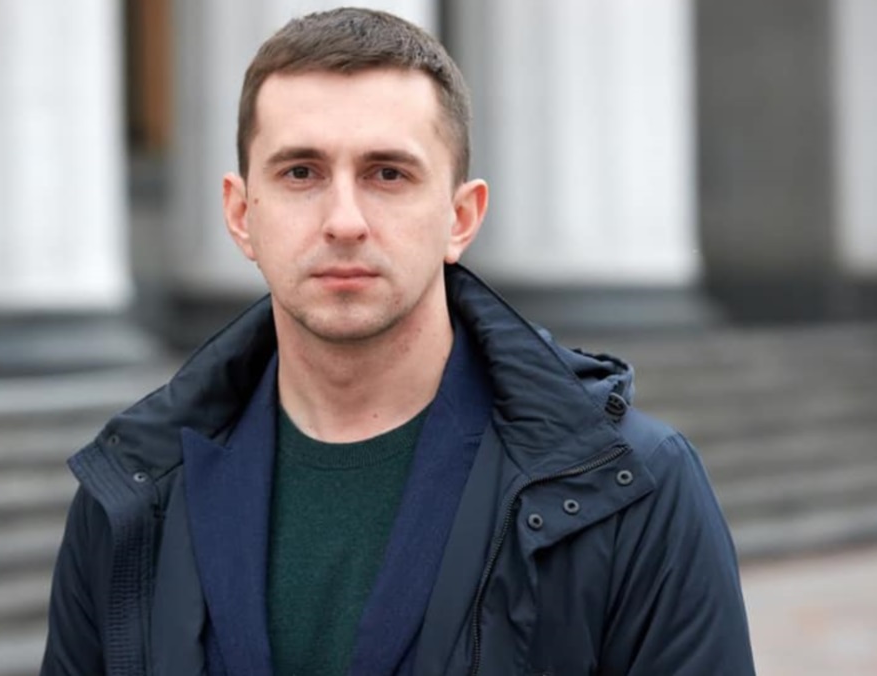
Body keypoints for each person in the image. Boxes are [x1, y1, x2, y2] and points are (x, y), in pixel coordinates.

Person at [41, 7, 755, 676]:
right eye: (300, 173)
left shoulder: (634, 488)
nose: (344, 220)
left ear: (460, 218)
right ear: (240, 214)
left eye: (387, 173)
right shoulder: (131, 493)